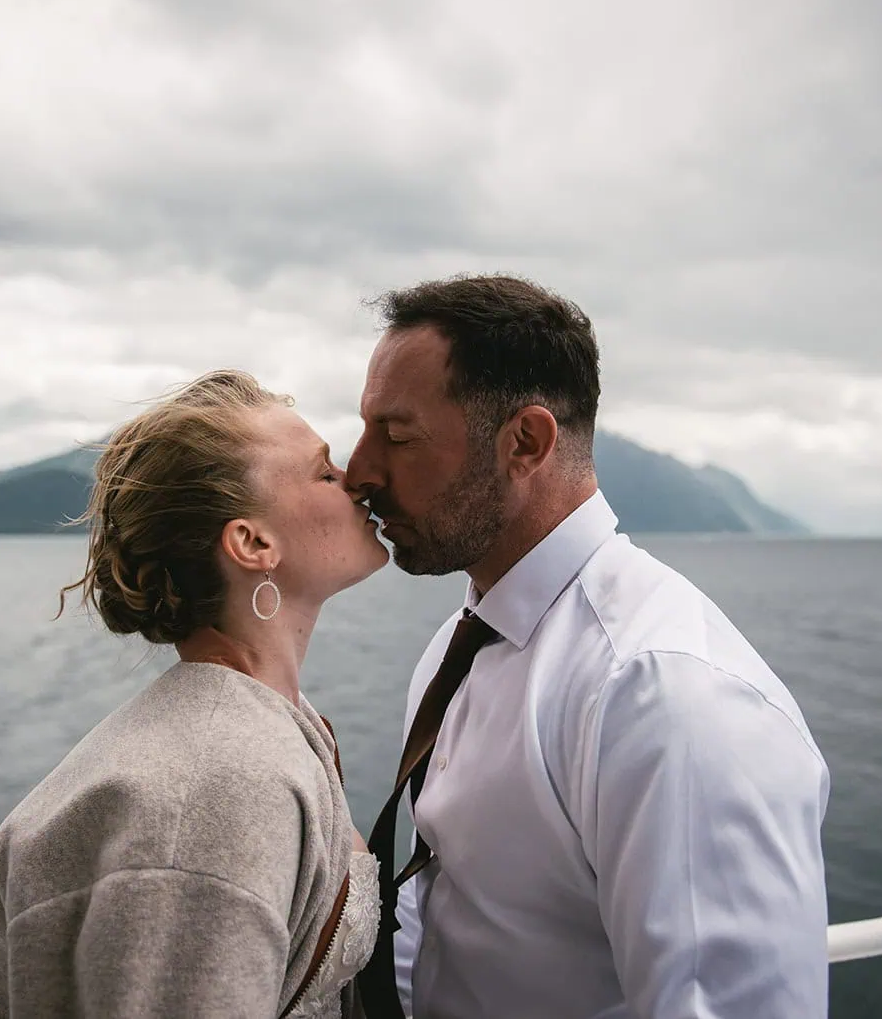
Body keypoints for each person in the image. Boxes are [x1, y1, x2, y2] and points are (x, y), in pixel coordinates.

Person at [345, 275, 830, 1018]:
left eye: (398, 435)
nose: (359, 472)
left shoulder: (663, 696)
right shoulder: (464, 642)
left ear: (526, 443)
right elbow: (454, 918)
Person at [0, 369, 389, 1018]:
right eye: (324, 473)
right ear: (252, 543)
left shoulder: (262, 730)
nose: (357, 481)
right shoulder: (218, 780)